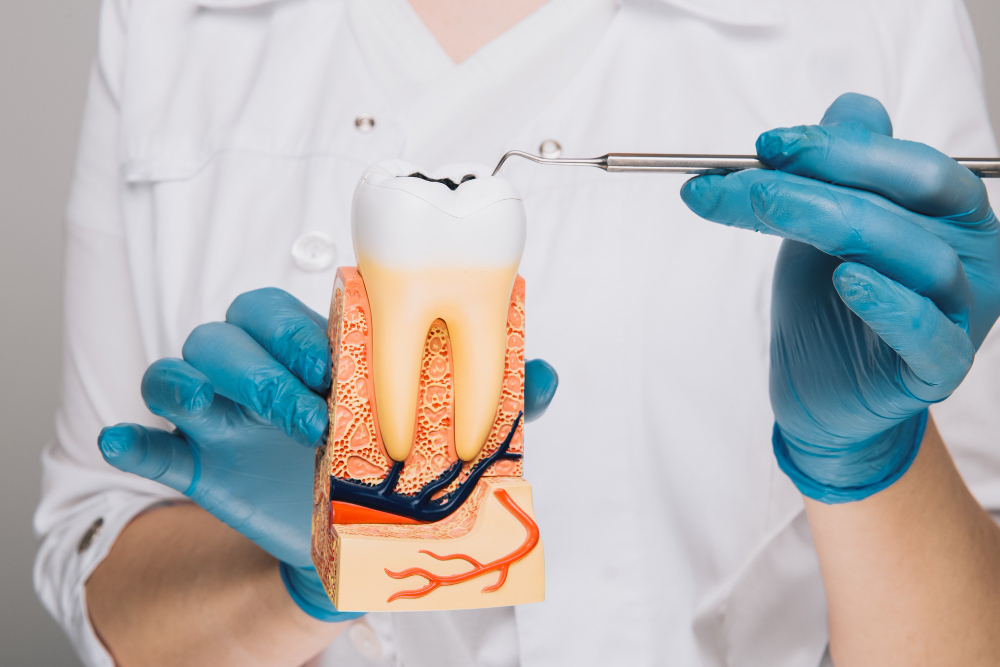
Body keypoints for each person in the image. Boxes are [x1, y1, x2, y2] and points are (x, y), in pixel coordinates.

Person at [33, 0, 1000, 665]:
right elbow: (103, 570)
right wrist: (301, 572)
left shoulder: (870, 17)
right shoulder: (172, 21)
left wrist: (869, 460)